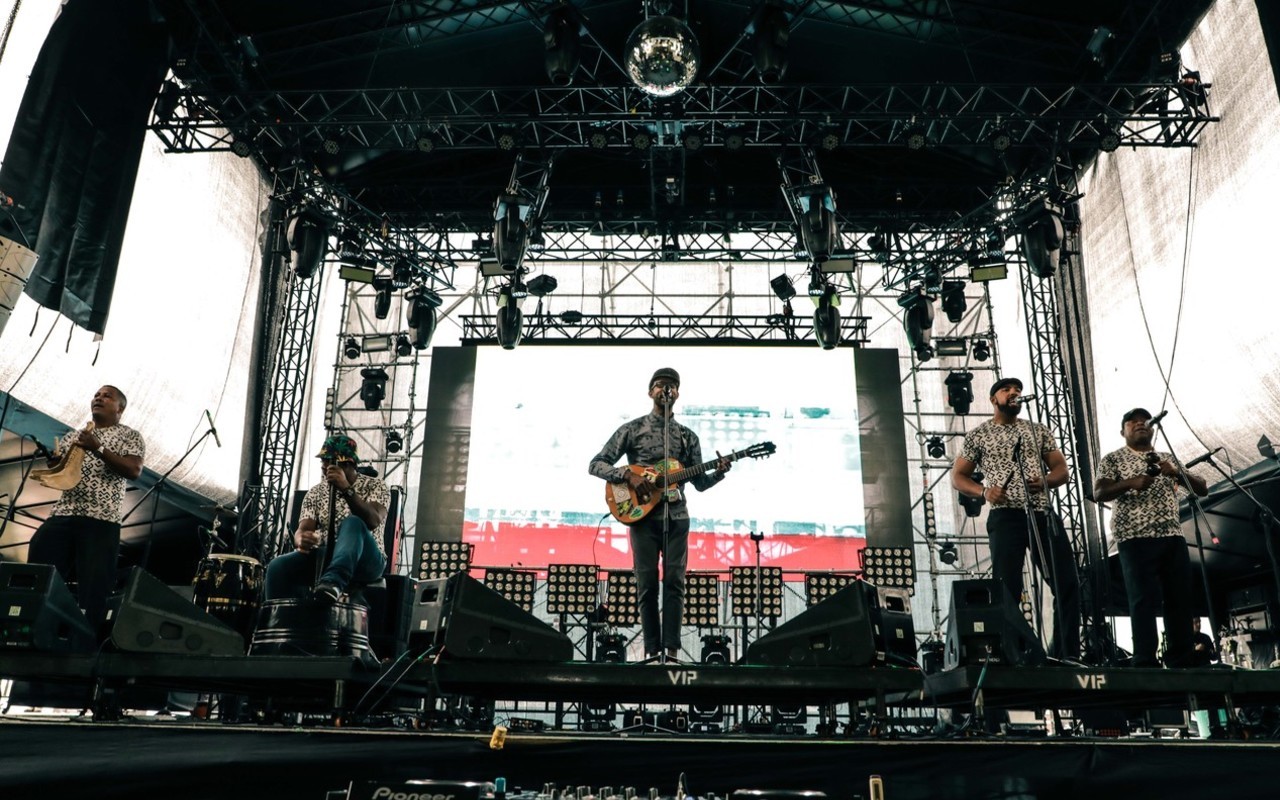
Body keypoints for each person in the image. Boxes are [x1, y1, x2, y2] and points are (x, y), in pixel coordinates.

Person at [589, 368, 730, 663]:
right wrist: (628, 476)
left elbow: (700, 483)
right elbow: (597, 464)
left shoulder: (686, 436)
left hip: (677, 516)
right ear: (650, 391)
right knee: (647, 583)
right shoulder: (633, 429)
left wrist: (718, 473)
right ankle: (652, 651)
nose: (666, 390)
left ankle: (671, 651)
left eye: (671, 387)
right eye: (660, 386)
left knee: (675, 581)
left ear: (678, 393)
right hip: (642, 518)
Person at [951, 377, 1082, 660]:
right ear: (993, 399)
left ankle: (1066, 654)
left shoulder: (1037, 430)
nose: (1014, 393)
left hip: (1042, 513)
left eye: (1017, 391)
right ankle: (1015, 653)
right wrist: (985, 492)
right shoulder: (979, 434)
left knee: (1067, 583)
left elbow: (1061, 469)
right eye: (1006, 390)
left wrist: (1047, 481)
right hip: (1005, 516)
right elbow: (958, 477)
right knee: (1008, 588)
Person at [1093, 408, 1207, 667]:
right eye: (1132, 422)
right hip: (1134, 535)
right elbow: (1099, 492)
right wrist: (1129, 483)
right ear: (1123, 431)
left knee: (1178, 596)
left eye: (1144, 421)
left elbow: (1202, 489)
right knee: (1143, 598)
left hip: (1171, 534)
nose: (1140, 424)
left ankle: (1181, 657)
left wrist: (1177, 472)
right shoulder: (1113, 458)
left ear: (1153, 428)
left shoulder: (1167, 457)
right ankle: (1145, 659)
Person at [27, 385, 145, 632]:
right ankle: (35, 625)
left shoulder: (130, 436)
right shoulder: (74, 436)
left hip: (101, 519)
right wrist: (57, 466)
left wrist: (98, 448)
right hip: (63, 513)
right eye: (96, 395)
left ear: (119, 408)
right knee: (39, 565)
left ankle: (88, 642)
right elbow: (68, 475)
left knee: (94, 587)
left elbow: (133, 470)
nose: (98, 398)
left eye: (106, 396)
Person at [264, 435, 389, 602]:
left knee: (353, 522)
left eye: (329, 461)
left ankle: (333, 583)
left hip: (366, 559)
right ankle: (278, 620)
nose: (323, 466)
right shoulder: (315, 493)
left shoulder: (376, 486)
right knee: (278, 566)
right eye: (322, 460)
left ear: (348, 463)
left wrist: (346, 489)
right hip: (325, 556)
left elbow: (373, 520)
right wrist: (301, 539)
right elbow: (303, 529)